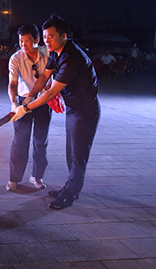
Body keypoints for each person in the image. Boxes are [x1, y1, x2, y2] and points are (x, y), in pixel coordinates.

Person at [11, 14, 100, 210]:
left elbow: (51, 92)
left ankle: (70, 194)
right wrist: (29, 97)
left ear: (64, 36)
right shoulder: (55, 53)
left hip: (85, 110)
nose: (47, 41)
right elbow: (44, 77)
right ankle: (70, 188)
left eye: (51, 36)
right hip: (73, 109)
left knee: (78, 155)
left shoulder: (71, 57)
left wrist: (25, 108)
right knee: (71, 152)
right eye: (45, 37)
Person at [6, 24, 52, 191]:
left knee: (41, 141)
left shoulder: (48, 54)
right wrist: (14, 103)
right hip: (23, 102)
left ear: (37, 40)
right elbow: (13, 83)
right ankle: (14, 178)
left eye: (26, 41)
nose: (23, 45)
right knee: (20, 141)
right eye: (21, 41)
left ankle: (37, 176)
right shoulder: (16, 58)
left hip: (43, 102)